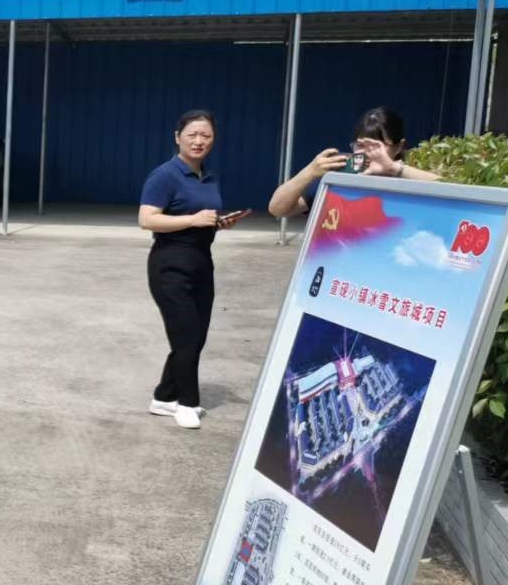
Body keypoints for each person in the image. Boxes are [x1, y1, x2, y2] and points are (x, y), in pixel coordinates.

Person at [138, 109, 244, 431]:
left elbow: (200, 218)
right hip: (170, 265)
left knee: (196, 336)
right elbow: (147, 219)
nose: (199, 141)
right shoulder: (164, 175)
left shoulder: (210, 176)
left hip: (201, 262)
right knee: (185, 336)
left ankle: (163, 396)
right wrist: (193, 220)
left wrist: (216, 223)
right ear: (178, 137)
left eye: (206, 136)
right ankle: (187, 402)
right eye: (192, 135)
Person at [268, 105, 440, 219]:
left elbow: (449, 188)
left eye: (376, 146)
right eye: (360, 145)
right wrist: (309, 172)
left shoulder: (411, 176)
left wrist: (394, 169)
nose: (367, 153)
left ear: (399, 146)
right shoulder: (340, 174)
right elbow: (277, 209)